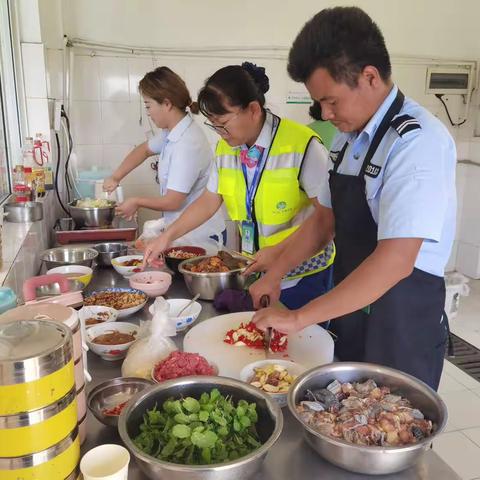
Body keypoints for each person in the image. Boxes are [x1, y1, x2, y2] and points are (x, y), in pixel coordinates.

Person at [248, 6, 456, 390]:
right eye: (319, 104)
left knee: (390, 433)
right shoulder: (348, 140)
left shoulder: (416, 141)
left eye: (331, 101)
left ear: (369, 77)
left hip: (400, 324)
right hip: (352, 309)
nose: (325, 114)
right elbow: (324, 221)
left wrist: (297, 319)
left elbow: (395, 260)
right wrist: (275, 274)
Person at [143, 62, 335, 310]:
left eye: (223, 122)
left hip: (303, 275)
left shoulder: (302, 145)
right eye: (213, 124)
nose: (219, 132)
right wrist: (167, 237)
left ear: (253, 110)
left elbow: (327, 219)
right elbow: (210, 200)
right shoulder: (227, 148)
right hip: (257, 270)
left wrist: (278, 252)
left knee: (300, 342)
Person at [103, 66, 225, 252]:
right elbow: (144, 150)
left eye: (148, 106)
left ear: (167, 104)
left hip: (199, 236)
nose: (148, 113)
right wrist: (116, 177)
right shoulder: (172, 132)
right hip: (183, 232)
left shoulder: (188, 143)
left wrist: (137, 201)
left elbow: (173, 201)